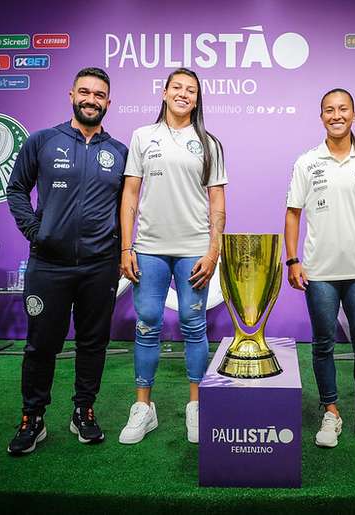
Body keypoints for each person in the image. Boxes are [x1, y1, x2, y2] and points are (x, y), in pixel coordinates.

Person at [5, 67, 127, 455]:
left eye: (100, 95)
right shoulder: (42, 141)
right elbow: (16, 190)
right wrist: (34, 231)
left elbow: (128, 208)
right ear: (71, 94)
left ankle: (83, 411)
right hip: (49, 264)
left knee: (93, 343)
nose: (92, 99)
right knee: (41, 345)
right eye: (85, 92)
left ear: (109, 102)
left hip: (99, 265)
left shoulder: (120, 152)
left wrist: (121, 248)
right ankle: (32, 418)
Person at [118, 67, 227, 445]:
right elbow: (130, 193)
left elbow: (217, 201)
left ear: (197, 99)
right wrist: (126, 246)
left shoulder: (210, 143)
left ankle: (196, 405)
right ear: (164, 93)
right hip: (148, 248)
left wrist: (214, 249)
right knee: (147, 321)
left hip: (194, 248)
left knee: (193, 324)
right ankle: (143, 408)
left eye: (191, 90)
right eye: (177, 87)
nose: (184, 94)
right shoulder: (142, 136)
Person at [285, 88, 355, 449]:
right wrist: (293, 259)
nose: (336, 115)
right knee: (322, 345)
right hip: (318, 273)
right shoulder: (307, 162)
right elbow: (293, 213)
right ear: (321, 117)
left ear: (353, 114)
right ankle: (330, 412)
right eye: (329, 110)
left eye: (342, 109)